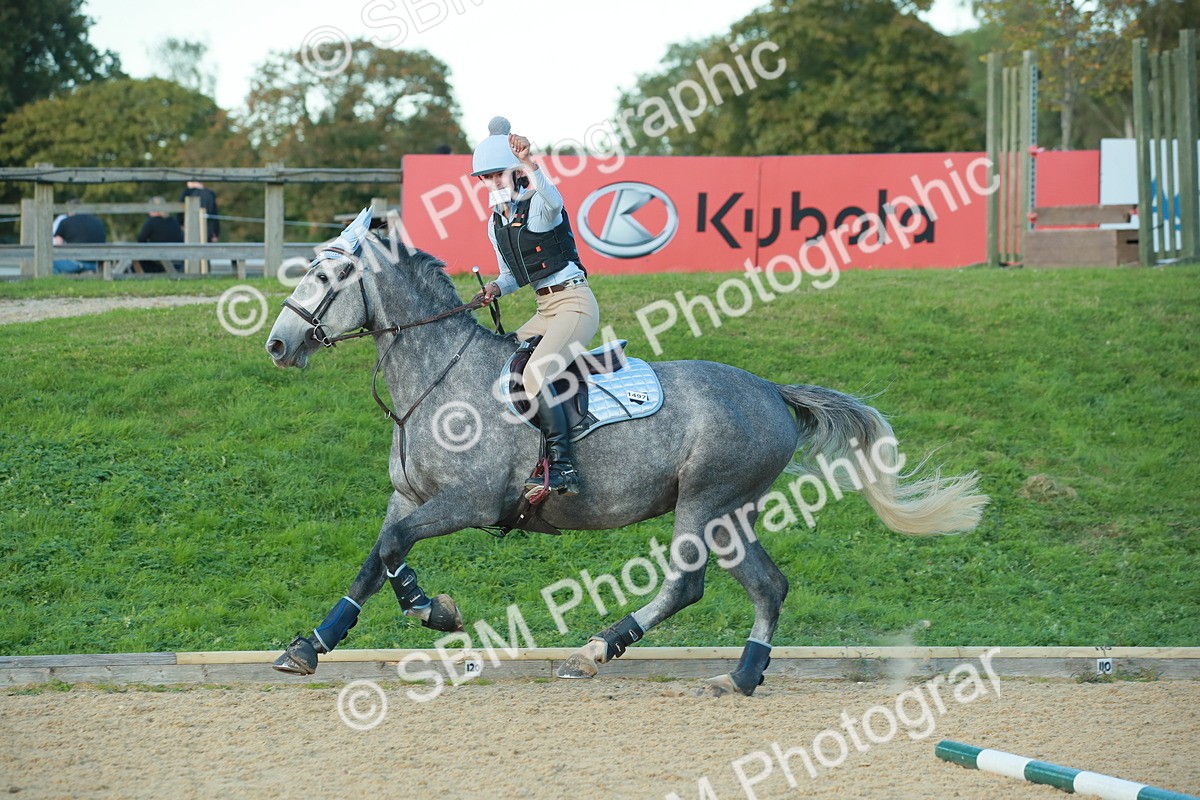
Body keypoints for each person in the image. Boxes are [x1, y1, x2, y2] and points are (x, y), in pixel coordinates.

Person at [473, 117, 599, 497]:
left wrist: (531, 162)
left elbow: (556, 200)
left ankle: (563, 467)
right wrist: (496, 286)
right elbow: (514, 274)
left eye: (499, 174)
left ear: (514, 173)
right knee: (501, 363)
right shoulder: (495, 224)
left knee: (536, 374)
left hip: (574, 304)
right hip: (544, 309)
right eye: (486, 177)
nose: (492, 182)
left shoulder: (539, 205)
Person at [52, 201, 106, 274]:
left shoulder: (65, 222)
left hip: (76, 262)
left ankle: (58, 283)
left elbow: (58, 247)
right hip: (96, 263)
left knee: (50, 262)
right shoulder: (98, 221)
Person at [135, 197, 185, 273]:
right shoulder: (174, 221)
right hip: (177, 259)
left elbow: (140, 239)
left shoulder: (151, 222)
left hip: (158, 261)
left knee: (139, 255)